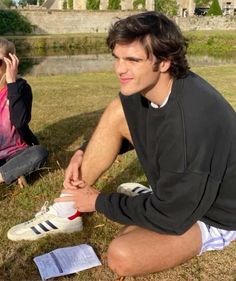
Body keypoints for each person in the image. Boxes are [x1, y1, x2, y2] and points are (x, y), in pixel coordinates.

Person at [7, 12, 236, 278]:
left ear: (164, 62)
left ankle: (181, 215)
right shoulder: (147, 87)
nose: (120, 69)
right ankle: (65, 209)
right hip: (186, 187)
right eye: (117, 57)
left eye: (132, 60)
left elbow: (170, 217)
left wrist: (98, 202)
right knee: (119, 110)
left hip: (215, 212)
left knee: (122, 255)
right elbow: (130, 123)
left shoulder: (190, 125)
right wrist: (83, 151)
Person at [0, 38, 48, 187]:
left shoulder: (21, 88)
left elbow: (20, 121)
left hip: (17, 151)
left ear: (10, 62)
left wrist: (12, 83)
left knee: (39, 153)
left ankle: (9, 173)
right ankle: (12, 174)